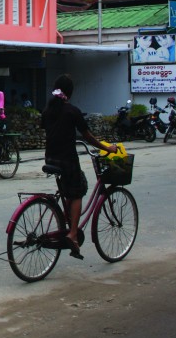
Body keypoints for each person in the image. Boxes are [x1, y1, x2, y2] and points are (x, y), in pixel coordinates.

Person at [40, 73, 118, 259]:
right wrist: (108, 147)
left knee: (69, 188)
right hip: (67, 160)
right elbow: (89, 137)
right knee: (78, 190)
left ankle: (68, 223)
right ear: (70, 92)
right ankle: (73, 234)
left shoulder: (48, 110)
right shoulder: (72, 111)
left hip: (50, 158)